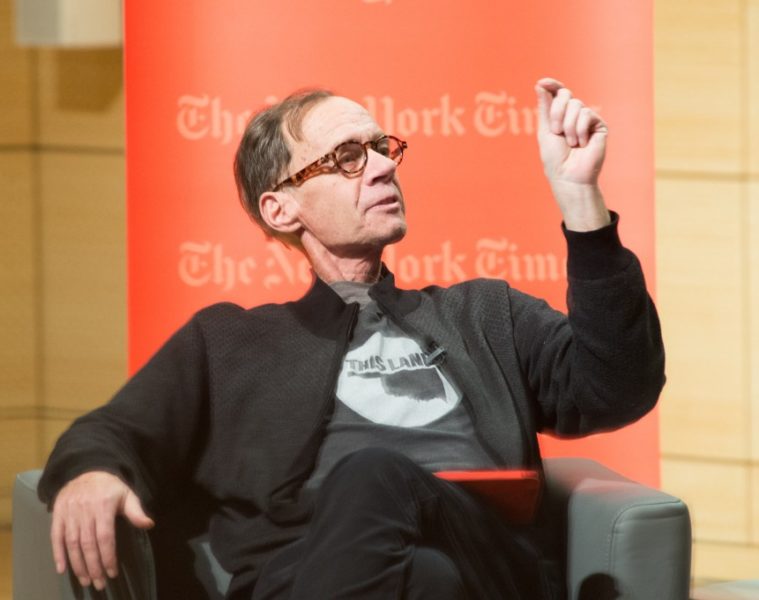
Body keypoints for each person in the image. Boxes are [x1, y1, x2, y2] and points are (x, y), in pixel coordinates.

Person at [38, 78, 665, 599]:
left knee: (376, 478)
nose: (385, 166)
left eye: (382, 148)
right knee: (426, 579)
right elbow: (114, 430)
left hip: (484, 556)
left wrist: (581, 202)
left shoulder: (483, 313)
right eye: (347, 158)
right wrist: (91, 472)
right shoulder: (229, 342)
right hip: (315, 572)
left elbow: (618, 386)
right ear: (282, 209)